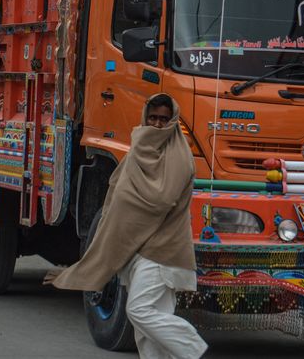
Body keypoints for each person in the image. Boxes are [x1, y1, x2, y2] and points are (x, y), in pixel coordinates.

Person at [46, 93, 206, 359]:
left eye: (164, 119)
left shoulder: (178, 155)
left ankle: (193, 349)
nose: (156, 124)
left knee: (138, 311)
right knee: (147, 330)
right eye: (152, 117)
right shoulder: (138, 151)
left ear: (173, 122)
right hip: (138, 251)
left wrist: (131, 203)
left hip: (163, 250)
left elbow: (160, 199)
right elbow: (116, 195)